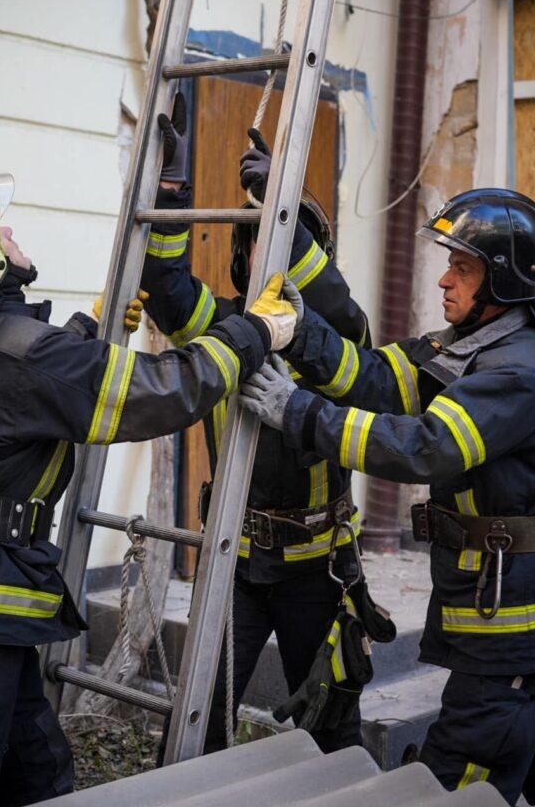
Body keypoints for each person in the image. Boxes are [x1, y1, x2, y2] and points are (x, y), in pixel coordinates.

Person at [0, 170, 300, 807]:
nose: (12, 232)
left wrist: (92, 326)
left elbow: (27, 390)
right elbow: (167, 390)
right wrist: (256, 332)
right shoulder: (28, 359)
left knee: (38, 773)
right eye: (0, 230)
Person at [239, 188, 535, 806]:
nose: (445, 279)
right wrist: (299, 330)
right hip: (509, 619)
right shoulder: (472, 347)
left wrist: (297, 413)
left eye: (463, 268)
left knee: (459, 782)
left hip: (515, 629)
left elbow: (425, 445)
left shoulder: (519, 370)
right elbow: (376, 379)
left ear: (500, 280)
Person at [142, 95, 391, 755]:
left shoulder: (341, 338)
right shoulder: (228, 326)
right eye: (257, 250)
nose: (265, 266)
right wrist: (171, 191)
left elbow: (335, 315)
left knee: (333, 727)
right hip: (236, 565)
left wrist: (283, 200)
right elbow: (167, 293)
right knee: (199, 719)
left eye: (282, 251)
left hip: (318, 572)